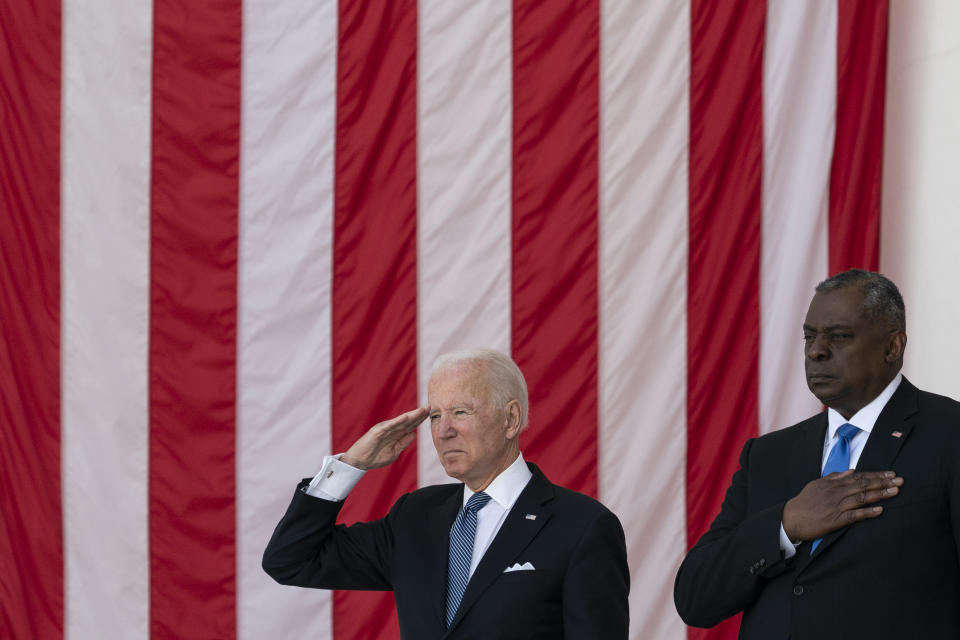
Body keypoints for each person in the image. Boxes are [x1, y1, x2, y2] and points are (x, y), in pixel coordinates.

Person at [263, 348, 630, 639]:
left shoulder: (582, 526)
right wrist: (349, 466)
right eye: (436, 416)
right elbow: (291, 559)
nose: (443, 432)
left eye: (460, 411)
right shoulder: (415, 516)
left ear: (510, 419)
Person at [674, 269, 960, 638]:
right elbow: (695, 598)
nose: (816, 351)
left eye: (838, 337)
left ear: (893, 346)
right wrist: (785, 525)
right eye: (810, 336)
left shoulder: (949, 433)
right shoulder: (767, 454)